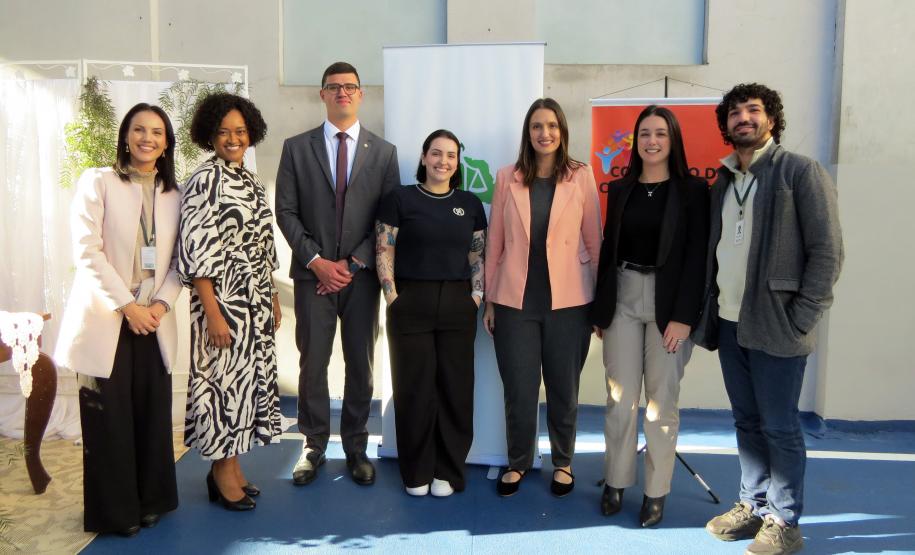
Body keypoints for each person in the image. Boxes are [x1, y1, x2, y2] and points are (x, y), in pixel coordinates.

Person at [693, 83, 843, 554]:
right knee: (747, 422)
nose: (743, 119)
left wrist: (802, 317)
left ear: (771, 119)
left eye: (753, 110)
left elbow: (827, 252)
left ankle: (785, 520)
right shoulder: (723, 181)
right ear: (726, 126)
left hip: (778, 324)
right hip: (731, 321)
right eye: (735, 113)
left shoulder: (800, 172)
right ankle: (751, 505)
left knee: (779, 426)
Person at [55, 103, 181, 536]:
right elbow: (85, 251)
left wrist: (159, 306)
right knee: (108, 420)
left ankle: (151, 501)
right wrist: (127, 307)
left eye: (157, 132)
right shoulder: (98, 181)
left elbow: (182, 260)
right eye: (139, 130)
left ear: (167, 143)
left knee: (151, 416)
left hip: (154, 320)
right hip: (107, 318)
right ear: (125, 136)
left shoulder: (174, 194)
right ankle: (116, 513)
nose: (148, 138)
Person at [276, 61, 400, 487]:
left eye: (350, 86)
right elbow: (286, 211)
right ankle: (312, 445)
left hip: (361, 278)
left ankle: (355, 446)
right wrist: (317, 262)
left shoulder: (383, 153)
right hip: (313, 277)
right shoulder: (296, 148)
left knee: (360, 364)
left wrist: (350, 264)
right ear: (322, 95)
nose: (342, 92)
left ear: (361, 94)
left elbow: (388, 220)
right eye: (334, 86)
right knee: (313, 363)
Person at [590, 105, 709, 527]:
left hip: (669, 304)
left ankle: (656, 492)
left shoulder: (693, 192)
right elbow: (609, 250)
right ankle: (616, 480)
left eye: (660, 133)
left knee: (661, 404)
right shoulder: (621, 189)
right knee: (620, 401)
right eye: (644, 134)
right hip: (622, 297)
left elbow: (698, 259)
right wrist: (601, 309)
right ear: (635, 141)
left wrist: (683, 317)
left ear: (672, 140)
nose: (652, 141)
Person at [483, 98, 602, 497]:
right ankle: (519, 462)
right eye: (537, 126)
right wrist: (491, 300)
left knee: (563, 387)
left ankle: (563, 462)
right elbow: (495, 244)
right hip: (516, 302)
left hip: (570, 302)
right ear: (527, 133)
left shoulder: (581, 176)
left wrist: (601, 302)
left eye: (552, 125)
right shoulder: (507, 177)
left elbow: (594, 239)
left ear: (562, 131)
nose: (544, 133)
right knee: (519, 388)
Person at [178, 93, 282, 511]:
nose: (233, 138)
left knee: (244, 384)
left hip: (254, 298)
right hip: (221, 301)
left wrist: (272, 295)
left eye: (240, 131)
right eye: (224, 132)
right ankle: (221, 471)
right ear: (210, 135)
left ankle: (232, 465)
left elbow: (263, 241)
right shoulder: (204, 180)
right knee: (222, 386)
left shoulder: (250, 179)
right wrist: (213, 314)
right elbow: (197, 250)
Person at [375, 129, 486, 497]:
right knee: (414, 390)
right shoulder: (399, 199)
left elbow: (477, 256)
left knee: (456, 390)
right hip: (410, 303)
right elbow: (384, 251)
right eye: (436, 154)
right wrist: (393, 298)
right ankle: (416, 471)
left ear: (458, 162)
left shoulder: (470, 204)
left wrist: (475, 296)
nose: (443, 161)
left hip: (457, 304)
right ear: (423, 158)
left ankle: (449, 470)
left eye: (451, 155)